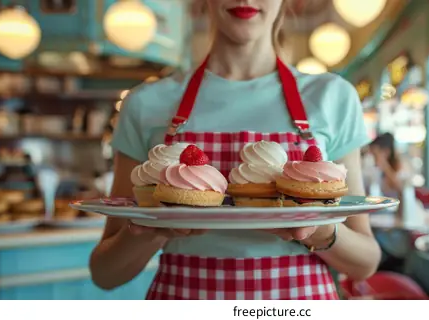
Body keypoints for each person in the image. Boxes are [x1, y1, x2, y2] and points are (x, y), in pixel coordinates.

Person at [89, 0, 381, 300]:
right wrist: (153, 229)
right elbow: (105, 273)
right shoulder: (145, 103)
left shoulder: (333, 96)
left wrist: (323, 233)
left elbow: (365, 263)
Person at [368, 133, 406, 199]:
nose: (372, 158)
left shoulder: (399, 166)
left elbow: (401, 189)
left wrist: (385, 166)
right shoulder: (376, 170)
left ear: (386, 152)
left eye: (375, 154)